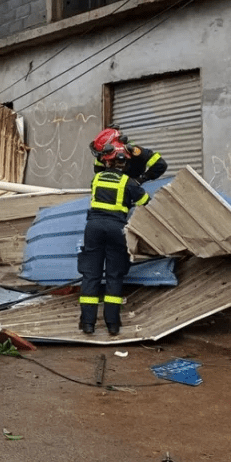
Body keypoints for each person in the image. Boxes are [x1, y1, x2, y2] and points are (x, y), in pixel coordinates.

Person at [78, 138, 150, 336]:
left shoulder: (97, 179)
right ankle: (112, 325)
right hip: (116, 230)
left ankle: (88, 324)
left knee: (91, 275)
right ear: (124, 163)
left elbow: (98, 168)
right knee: (114, 276)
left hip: (93, 228)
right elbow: (145, 201)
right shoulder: (128, 183)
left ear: (106, 161)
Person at [91, 126, 167, 183]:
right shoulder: (101, 158)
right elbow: (98, 175)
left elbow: (160, 164)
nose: (101, 158)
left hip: (133, 192)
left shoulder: (134, 152)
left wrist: (141, 179)